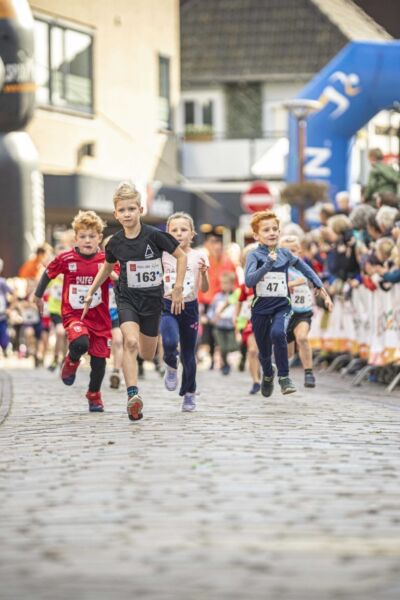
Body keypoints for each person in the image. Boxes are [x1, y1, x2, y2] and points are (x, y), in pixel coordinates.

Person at [82, 182, 187, 422]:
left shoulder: (155, 236)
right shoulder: (115, 243)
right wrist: (91, 290)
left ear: (140, 210)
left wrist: (178, 287)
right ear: (116, 214)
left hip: (152, 302)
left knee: (147, 354)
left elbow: (181, 257)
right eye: (122, 210)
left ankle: (151, 360)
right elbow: (107, 268)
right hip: (127, 298)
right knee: (129, 342)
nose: (127, 214)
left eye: (132, 209)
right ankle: (133, 396)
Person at [244, 211, 333, 397]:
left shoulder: (285, 254)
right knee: (264, 351)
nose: (272, 233)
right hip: (261, 308)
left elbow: (306, 268)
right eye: (266, 230)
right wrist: (267, 264)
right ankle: (268, 374)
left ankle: (284, 378)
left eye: (275, 229)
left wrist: (319, 286)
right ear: (256, 235)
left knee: (278, 333)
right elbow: (250, 281)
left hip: (282, 306)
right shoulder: (254, 255)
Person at [34, 210, 112, 412]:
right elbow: (48, 273)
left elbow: (118, 280)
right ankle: (72, 360)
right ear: (75, 239)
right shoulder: (66, 258)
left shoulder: (106, 261)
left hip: (100, 318)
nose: (87, 240)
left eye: (92, 236)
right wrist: (38, 295)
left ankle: (94, 394)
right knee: (80, 342)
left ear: (99, 238)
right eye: (83, 236)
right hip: (74, 315)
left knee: (99, 361)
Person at [161, 212, 209, 411]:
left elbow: (204, 289)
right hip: (167, 305)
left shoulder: (199, 255)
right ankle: (171, 366)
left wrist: (205, 274)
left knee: (189, 354)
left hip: (189, 307)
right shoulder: (162, 255)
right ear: (167, 233)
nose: (179, 234)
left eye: (184, 230)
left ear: (192, 234)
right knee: (170, 342)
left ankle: (189, 393)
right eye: (174, 230)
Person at [280, 235, 317, 388]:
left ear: (299, 252)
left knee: (302, 338)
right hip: (285, 313)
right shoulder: (278, 268)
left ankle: (309, 373)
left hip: (302, 311)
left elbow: (313, 280)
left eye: (293, 251)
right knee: (288, 353)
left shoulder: (304, 268)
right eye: (286, 252)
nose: (290, 255)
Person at [198, 231, 237, 369]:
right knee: (209, 333)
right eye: (212, 244)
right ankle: (213, 360)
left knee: (222, 332)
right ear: (207, 245)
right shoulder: (204, 261)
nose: (216, 247)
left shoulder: (229, 262)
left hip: (223, 301)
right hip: (208, 301)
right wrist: (200, 303)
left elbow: (235, 282)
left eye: (218, 244)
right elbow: (199, 282)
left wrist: (232, 300)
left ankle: (223, 360)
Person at [207, 272, 238, 375]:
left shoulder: (236, 296)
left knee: (230, 347)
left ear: (232, 284)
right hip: (219, 326)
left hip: (230, 327)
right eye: (223, 283)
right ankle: (225, 364)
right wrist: (211, 318)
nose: (224, 286)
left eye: (227, 283)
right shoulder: (217, 297)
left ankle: (227, 362)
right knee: (222, 347)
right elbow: (211, 310)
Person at [0, 258, 13, 356]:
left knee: (4, 339)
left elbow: (13, 293)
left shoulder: (2, 282)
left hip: (2, 315)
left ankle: (6, 348)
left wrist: (10, 308)